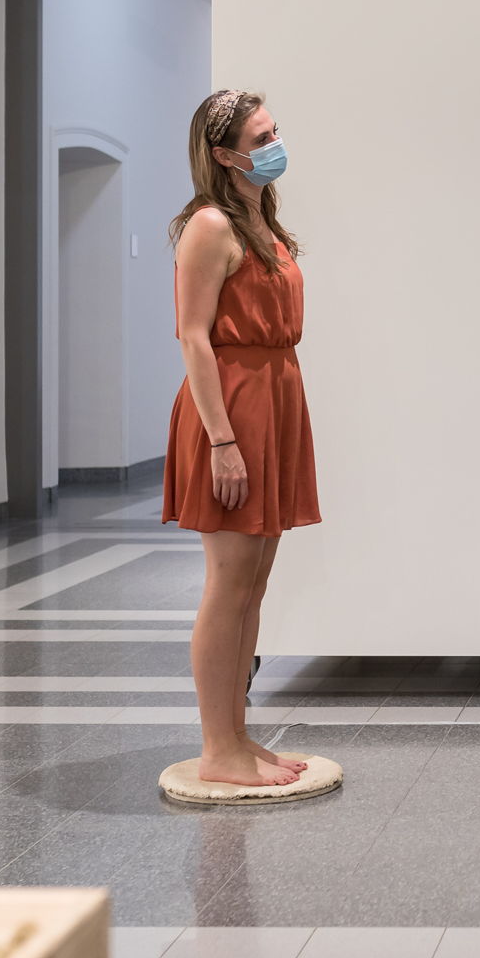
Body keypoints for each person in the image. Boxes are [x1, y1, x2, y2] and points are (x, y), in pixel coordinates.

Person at [163, 89, 322, 787]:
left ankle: (236, 734)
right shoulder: (209, 224)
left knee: (253, 586)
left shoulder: (260, 220)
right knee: (228, 584)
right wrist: (222, 441)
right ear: (224, 156)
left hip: (273, 399)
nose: (274, 146)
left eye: (273, 132)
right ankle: (215, 747)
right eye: (261, 139)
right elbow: (193, 337)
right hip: (231, 407)